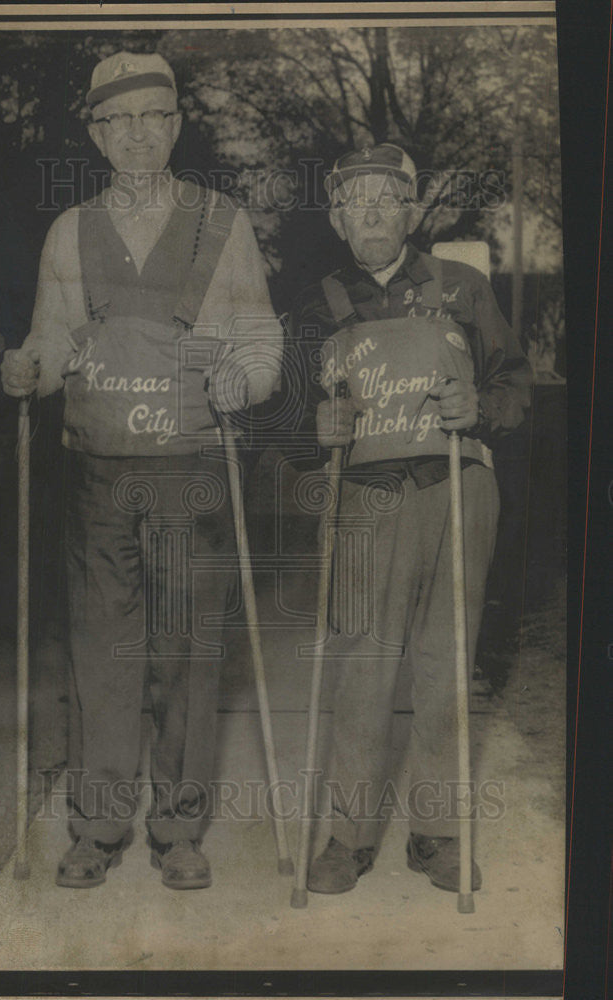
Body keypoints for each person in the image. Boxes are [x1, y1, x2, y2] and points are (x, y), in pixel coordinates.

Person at [1, 52, 282, 890]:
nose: (136, 135)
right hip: (94, 477)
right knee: (100, 652)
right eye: (117, 120)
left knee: (188, 654)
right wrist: (28, 368)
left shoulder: (221, 224)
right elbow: (54, 341)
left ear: (175, 126)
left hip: (191, 470)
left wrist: (249, 378)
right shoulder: (68, 231)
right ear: (94, 133)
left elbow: (261, 338)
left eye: (153, 117)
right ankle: (97, 824)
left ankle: (181, 828)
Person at [287, 143, 532, 895]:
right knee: (362, 664)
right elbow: (289, 425)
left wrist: (481, 407)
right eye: (355, 201)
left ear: (412, 210)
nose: (372, 213)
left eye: (387, 198)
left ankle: (436, 834)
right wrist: (313, 430)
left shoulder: (461, 287)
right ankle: (346, 837)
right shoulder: (317, 304)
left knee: (445, 663)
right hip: (367, 498)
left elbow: (515, 385)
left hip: (459, 487)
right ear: (336, 217)